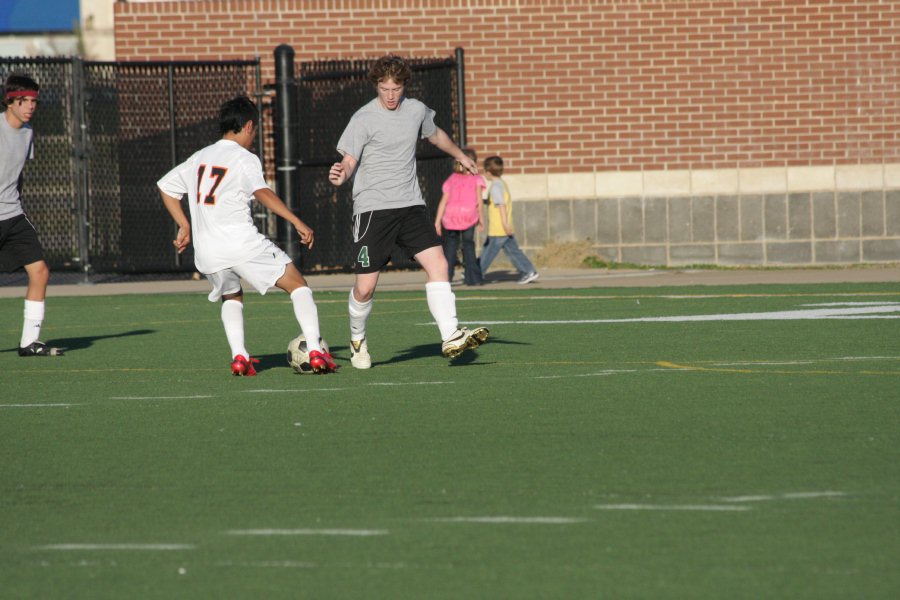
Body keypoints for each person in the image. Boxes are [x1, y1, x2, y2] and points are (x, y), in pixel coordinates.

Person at [328, 54, 489, 368]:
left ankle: (450, 334)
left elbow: (436, 134)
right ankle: (358, 339)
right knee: (365, 288)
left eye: (395, 88)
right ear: (377, 86)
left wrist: (461, 156)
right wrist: (341, 174)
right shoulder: (363, 118)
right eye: (384, 88)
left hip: (411, 206)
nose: (390, 95)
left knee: (439, 264)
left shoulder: (416, 110)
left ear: (404, 86)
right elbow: (348, 161)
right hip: (374, 210)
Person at [158, 96, 336, 376]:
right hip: (241, 243)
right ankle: (315, 351)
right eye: (256, 129)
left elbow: (166, 188)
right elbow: (261, 192)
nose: (255, 136)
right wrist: (295, 220)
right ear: (249, 125)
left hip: (207, 251)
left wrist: (184, 224)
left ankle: (240, 357)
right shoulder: (244, 158)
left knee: (232, 296)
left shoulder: (200, 157)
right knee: (298, 285)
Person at [1, 74, 63, 357]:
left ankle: (29, 342)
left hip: (13, 215)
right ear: (9, 101)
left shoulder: (27, 134)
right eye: (24, 101)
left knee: (40, 271)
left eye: (34, 101)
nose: (30, 106)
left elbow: (17, 175)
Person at [479, 155, 540, 284]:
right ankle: (529, 270)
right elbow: (496, 203)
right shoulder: (501, 184)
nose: (484, 174)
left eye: (484, 171)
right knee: (512, 251)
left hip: (499, 228)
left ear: (488, 172)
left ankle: (476, 273)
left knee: (489, 252)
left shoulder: (496, 186)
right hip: (502, 228)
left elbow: (501, 205)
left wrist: (505, 224)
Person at [434, 147, 486, 286]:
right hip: (468, 217)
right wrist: (481, 219)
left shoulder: (451, 179)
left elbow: (443, 202)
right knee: (468, 246)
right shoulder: (476, 179)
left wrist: (437, 221)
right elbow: (479, 201)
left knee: (450, 248)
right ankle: (473, 278)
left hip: (451, 218)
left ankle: (446, 278)